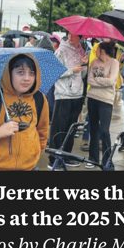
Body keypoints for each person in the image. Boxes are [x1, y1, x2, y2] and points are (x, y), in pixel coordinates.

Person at [47, 32, 88, 169]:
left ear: (80, 37)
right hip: (63, 95)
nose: (71, 36)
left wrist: (84, 65)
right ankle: (53, 159)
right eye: (69, 34)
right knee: (59, 127)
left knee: (71, 128)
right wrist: (71, 70)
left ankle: (67, 156)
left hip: (76, 94)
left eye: (75, 34)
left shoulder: (81, 51)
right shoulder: (61, 51)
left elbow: (82, 75)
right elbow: (53, 73)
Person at [85, 41, 120, 169]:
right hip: (92, 98)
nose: (95, 52)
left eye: (97, 50)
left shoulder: (114, 63)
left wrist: (97, 80)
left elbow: (112, 81)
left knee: (104, 131)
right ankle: (92, 159)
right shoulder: (94, 63)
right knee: (93, 129)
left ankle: (107, 160)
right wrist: (104, 80)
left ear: (102, 51)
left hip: (106, 100)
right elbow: (89, 80)